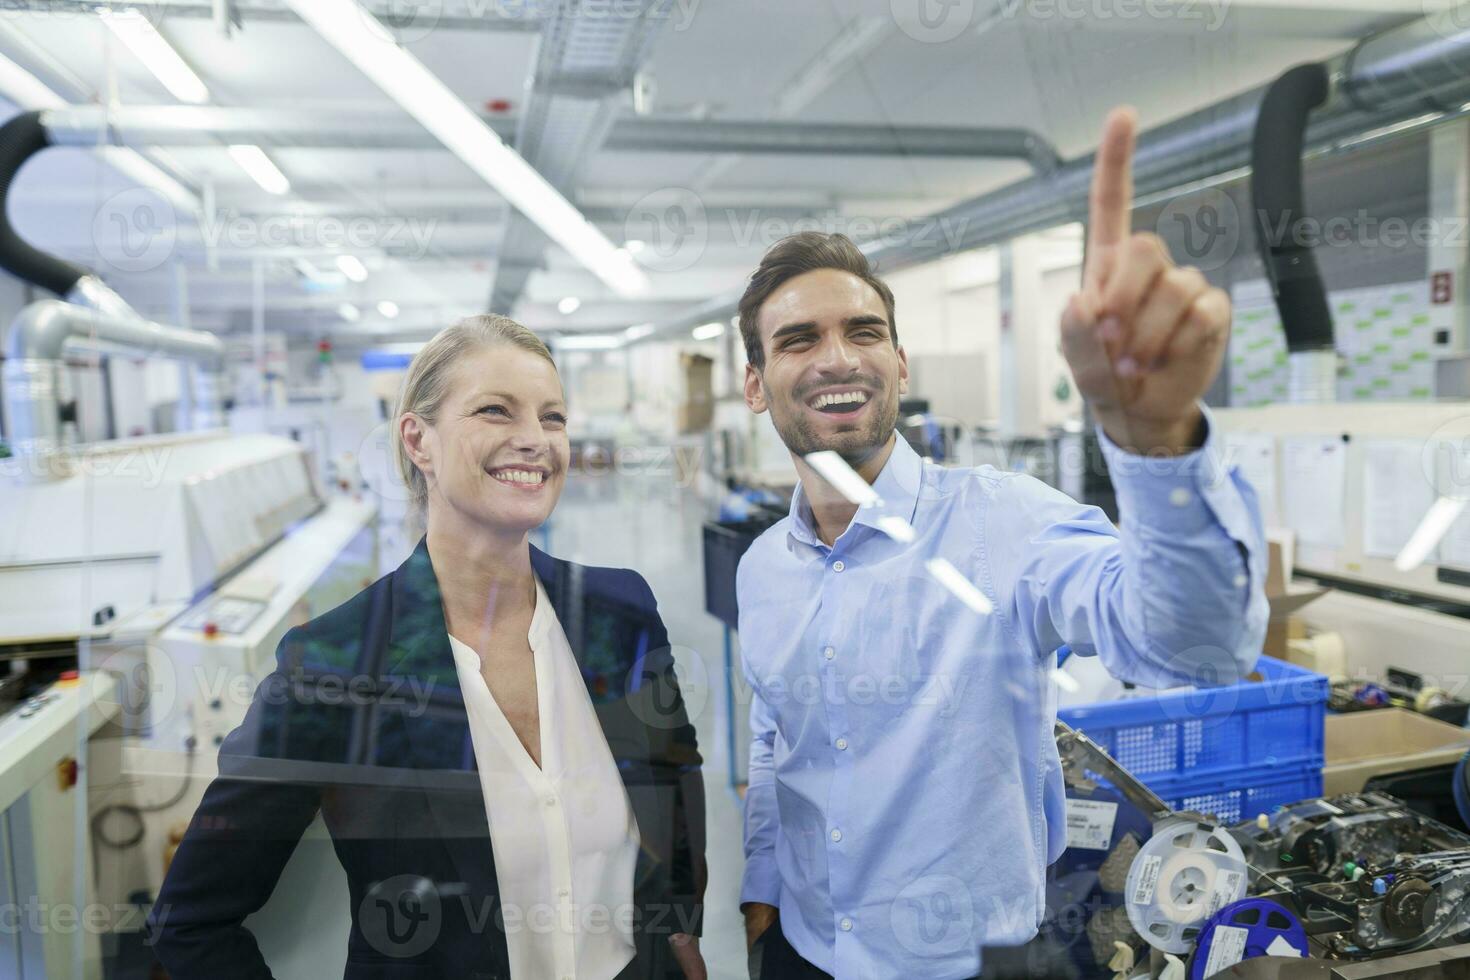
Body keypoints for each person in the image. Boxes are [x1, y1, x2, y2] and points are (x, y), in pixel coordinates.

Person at [734, 109, 1269, 980]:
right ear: (757, 386)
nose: (837, 358)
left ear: (901, 367)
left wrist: (1156, 441)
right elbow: (772, 733)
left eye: (863, 332)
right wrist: (763, 884)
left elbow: (1196, 648)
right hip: (800, 948)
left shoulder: (1006, 525)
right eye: (800, 340)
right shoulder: (765, 569)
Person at [149, 314, 707, 980]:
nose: (534, 440)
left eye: (552, 417)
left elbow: (673, 774)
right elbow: (191, 922)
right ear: (419, 440)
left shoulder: (620, 611)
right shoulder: (333, 666)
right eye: (496, 411)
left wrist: (677, 932)